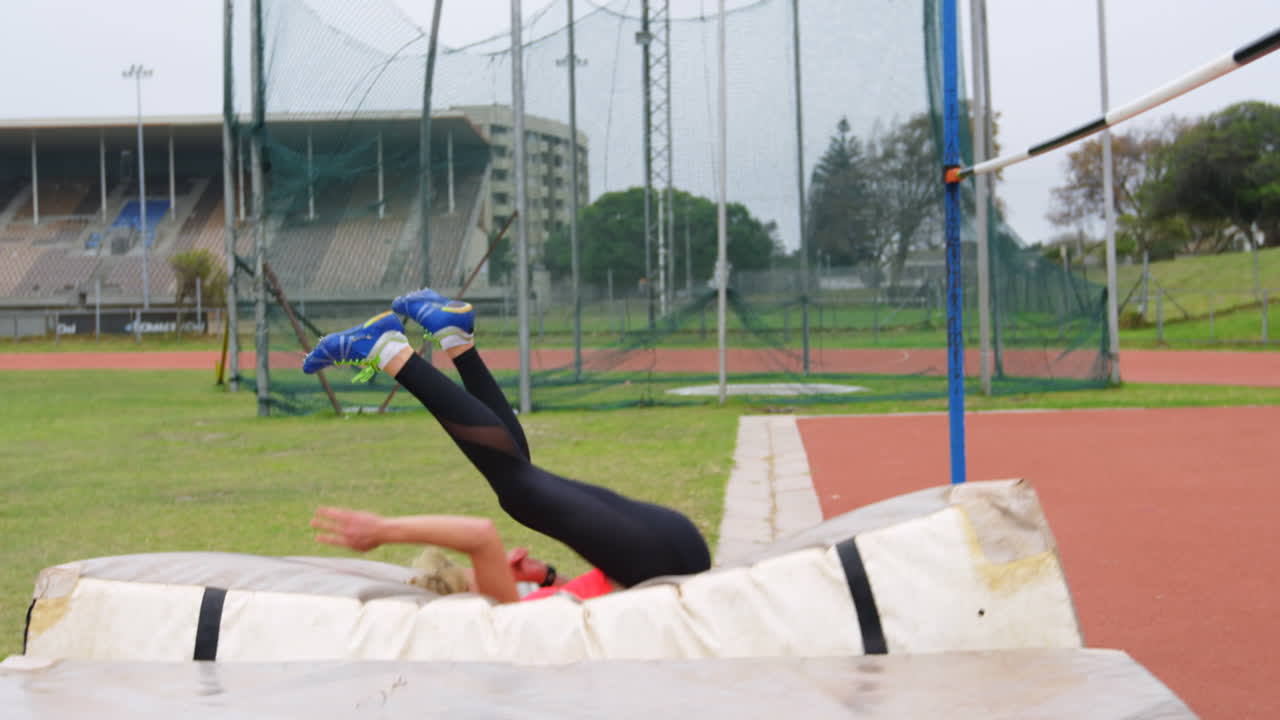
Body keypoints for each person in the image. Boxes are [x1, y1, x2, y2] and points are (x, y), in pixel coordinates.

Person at [302, 288, 712, 604]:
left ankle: (440, 342)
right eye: (460, 569)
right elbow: (481, 538)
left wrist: (543, 578)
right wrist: (382, 531)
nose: (475, 566)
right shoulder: (505, 615)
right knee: (519, 488)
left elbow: (581, 589)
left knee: (520, 479)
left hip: (663, 559)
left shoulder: (520, 608)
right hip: (662, 563)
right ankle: (403, 348)